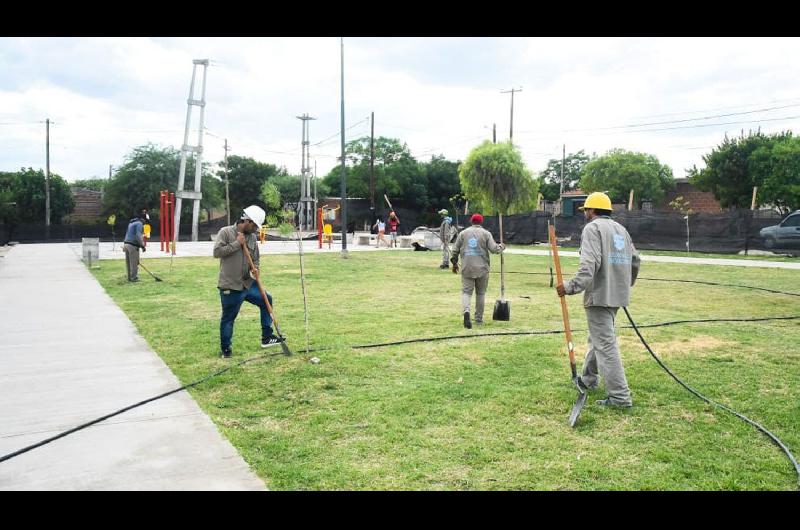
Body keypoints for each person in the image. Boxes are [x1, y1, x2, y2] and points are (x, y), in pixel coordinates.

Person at [556, 192, 640, 408]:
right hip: (617, 296)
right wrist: (623, 285)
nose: (585, 214)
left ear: (591, 211)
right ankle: (589, 379)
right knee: (599, 338)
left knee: (605, 344)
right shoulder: (621, 229)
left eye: (586, 210)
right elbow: (635, 261)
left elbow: (588, 265)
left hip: (600, 295)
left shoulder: (592, 229)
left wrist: (570, 287)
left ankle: (620, 397)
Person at [213, 205, 285, 358]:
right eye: (254, 226)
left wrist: (256, 269)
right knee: (228, 318)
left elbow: (256, 258)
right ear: (247, 221)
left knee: (267, 300)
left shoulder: (252, 237)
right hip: (230, 285)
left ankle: (267, 337)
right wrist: (237, 244)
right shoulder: (225, 232)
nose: (256, 230)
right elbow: (217, 252)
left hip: (247, 283)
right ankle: (226, 350)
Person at [451, 213, 504, 328]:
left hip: (467, 267)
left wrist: (454, 263)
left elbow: (454, 250)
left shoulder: (463, 234)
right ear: (481, 222)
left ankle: (466, 311)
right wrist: (502, 247)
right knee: (480, 294)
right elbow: (494, 249)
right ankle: (478, 319)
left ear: (471, 221)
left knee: (466, 292)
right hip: (482, 269)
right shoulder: (486, 233)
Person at [123, 210, 147, 282]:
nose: (145, 222)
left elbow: (128, 233)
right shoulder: (139, 224)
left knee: (129, 262)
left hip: (126, 244)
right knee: (134, 263)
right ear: (142, 219)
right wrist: (142, 246)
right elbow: (138, 235)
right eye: (145, 221)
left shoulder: (131, 223)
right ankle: (134, 278)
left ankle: (130, 278)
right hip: (133, 245)